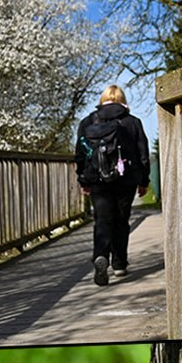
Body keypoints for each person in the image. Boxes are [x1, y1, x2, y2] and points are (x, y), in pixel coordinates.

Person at [74, 85, 150, 286]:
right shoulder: (132, 122)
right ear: (122, 100)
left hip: (98, 180)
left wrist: (84, 179)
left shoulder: (88, 122)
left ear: (102, 100)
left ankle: (101, 256)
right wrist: (143, 181)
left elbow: (80, 153)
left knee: (102, 221)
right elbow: (142, 153)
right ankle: (119, 264)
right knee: (121, 221)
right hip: (126, 179)